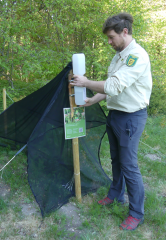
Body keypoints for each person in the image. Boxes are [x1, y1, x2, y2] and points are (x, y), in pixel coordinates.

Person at [70, 12, 152, 231]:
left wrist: (86, 82)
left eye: (111, 37)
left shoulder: (137, 56)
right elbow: (110, 89)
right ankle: (116, 195)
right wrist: (91, 100)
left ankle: (136, 213)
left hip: (131, 118)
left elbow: (113, 86)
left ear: (124, 32)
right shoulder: (119, 55)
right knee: (116, 160)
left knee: (129, 165)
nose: (109, 42)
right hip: (115, 114)